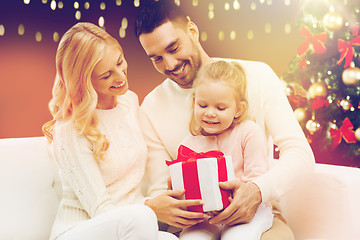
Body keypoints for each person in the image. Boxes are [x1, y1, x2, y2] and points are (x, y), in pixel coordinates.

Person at [135, 0, 315, 239]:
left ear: (192, 31)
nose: (170, 64)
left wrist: (258, 190)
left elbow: (300, 154)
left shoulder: (258, 76)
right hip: (194, 224)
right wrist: (166, 205)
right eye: (156, 58)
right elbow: (159, 187)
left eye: (173, 48)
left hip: (258, 214)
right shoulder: (151, 107)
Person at [42, 22, 178, 240]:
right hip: (81, 229)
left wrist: (164, 202)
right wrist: (150, 207)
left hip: (132, 223)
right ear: (84, 81)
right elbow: (100, 209)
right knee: (142, 218)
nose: (120, 76)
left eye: (120, 62)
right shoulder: (69, 130)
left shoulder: (129, 102)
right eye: (106, 75)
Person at [179, 60, 274, 239]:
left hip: (249, 211)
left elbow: (257, 178)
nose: (210, 113)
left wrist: (236, 195)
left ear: (239, 109)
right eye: (203, 105)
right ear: (194, 102)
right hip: (206, 217)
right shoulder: (188, 144)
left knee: (236, 237)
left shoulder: (248, 132)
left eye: (220, 107)